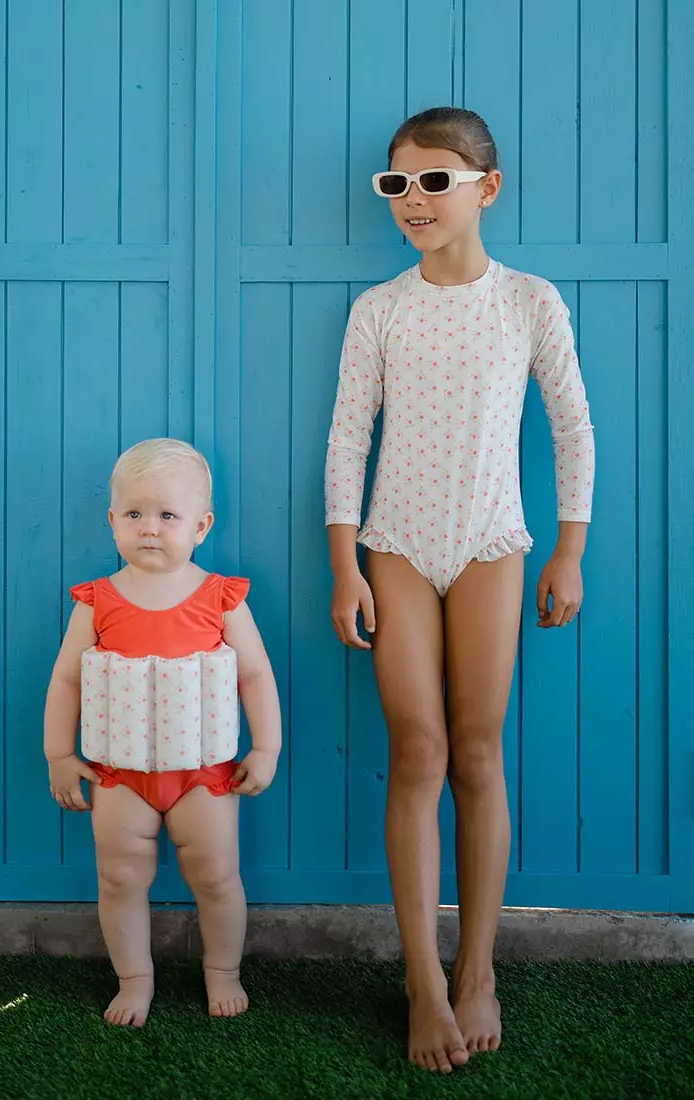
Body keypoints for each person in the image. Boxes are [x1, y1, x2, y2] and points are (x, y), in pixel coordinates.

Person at [325, 107, 594, 1073]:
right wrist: (345, 564)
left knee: (479, 753)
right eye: (396, 184)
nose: (414, 200)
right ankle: (422, 981)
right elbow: (348, 436)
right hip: (395, 546)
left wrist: (569, 551)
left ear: (488, 188)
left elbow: (572, 426)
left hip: (492, 545)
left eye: (435, 180)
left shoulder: (529, 302)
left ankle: (477, 968)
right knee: (420, 750)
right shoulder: (380, 309)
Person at [44, 438, 282, 1027]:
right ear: (112, 521)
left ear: (201, 527)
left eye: (167, 515)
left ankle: (222, 970)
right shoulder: (95, 602)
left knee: (216, 874)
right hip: (119, 773)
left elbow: (255, 674)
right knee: (119, 876)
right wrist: (58, 753)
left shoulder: (221, 598)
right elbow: (67, 681)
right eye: (134, 513)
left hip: (205, 773)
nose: (149, 528)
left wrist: (266, 746)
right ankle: (134, 978)